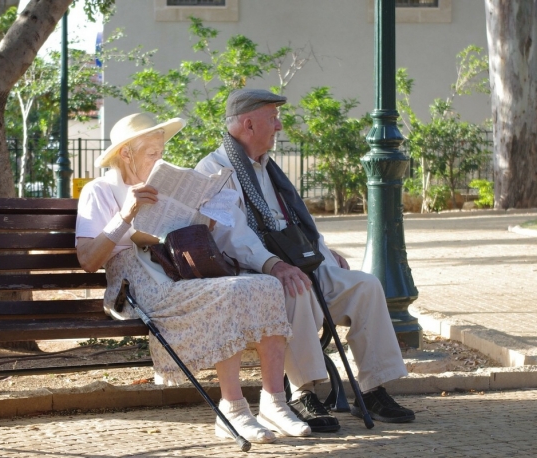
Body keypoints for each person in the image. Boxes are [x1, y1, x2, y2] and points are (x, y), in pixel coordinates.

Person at [75, 112, 311, 444]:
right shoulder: (99, 190)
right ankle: (233, 408)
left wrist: (203, 218)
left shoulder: (160, 185)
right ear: (126, 153)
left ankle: (274, 401)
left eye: (161, 151)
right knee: (226, 293)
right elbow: (88, 260)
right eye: (152, 153)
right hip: (135, 285)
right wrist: (125, 214)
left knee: (266, 284)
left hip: (175, 271)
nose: (160, 159)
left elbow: (179, 234)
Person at [195, 89, 416, 432]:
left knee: (365, 285)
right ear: (248, 124)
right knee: (295, 288)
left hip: (296, 262)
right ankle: (304, 391)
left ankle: (373, 389)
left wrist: (324, 254)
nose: (280, 126)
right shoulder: (214, 169)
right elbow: (231, 235)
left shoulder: (268, 168)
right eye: (273, 118)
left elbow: (295, 223)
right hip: (257, 273)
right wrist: (273, 265)